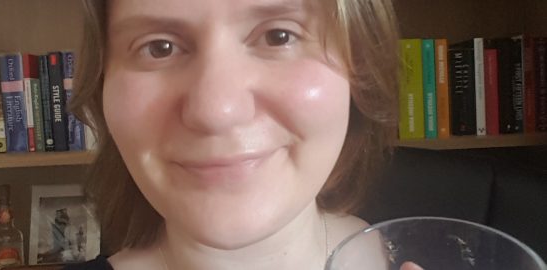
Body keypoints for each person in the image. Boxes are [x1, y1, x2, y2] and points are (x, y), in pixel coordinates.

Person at [65, 0, 407, 269]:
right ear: (101, 85)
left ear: (360, 67)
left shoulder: (448, 257)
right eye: (159, 48)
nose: (216, 112)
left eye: (279, 36)